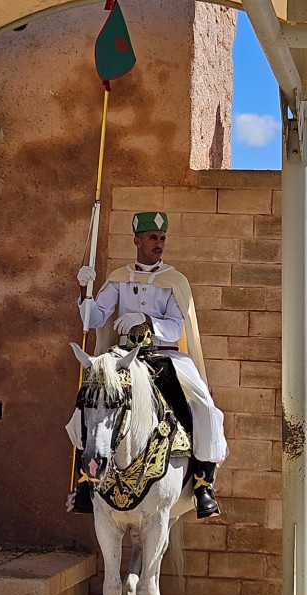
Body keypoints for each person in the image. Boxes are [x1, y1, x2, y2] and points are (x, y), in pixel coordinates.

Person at [69, 211, 227, 518]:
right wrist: (83, 290)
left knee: (205, 408)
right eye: (153, 237)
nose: (159, 243)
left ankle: (202, 483)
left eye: (162, 238)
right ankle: (86, 481)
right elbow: (94, 319)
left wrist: (145, 320)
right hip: (123, 356)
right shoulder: (119, 278)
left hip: (165, 355)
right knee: (86, 407)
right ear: (137, 241)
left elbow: (177, 327)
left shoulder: (174, 281)